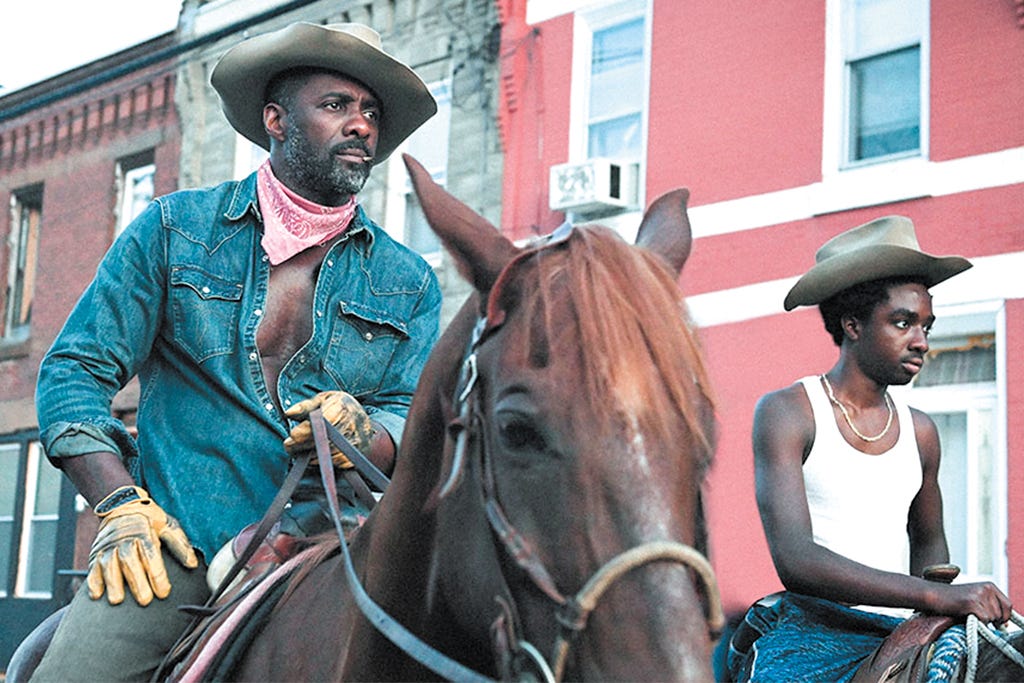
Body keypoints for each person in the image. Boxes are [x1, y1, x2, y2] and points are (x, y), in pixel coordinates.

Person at [29, 22, 441, 682]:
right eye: (336, 104)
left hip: (334, 552)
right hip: (179, 545)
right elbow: (75, 370)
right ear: (276, 120)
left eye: (370, 111)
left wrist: (368, 432)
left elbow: (411, 418)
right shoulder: (174, 229)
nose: (361, 124)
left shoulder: (409, 280)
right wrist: (119, 505)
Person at [726, 216, 1014, 681]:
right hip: (810, 634)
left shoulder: (921, 432)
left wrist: (936, 610)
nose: (921, 342)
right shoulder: (790, 412)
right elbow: (796, 560)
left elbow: (928, 542)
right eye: (903, 323)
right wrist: (936, 596)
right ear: (853, 324)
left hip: (901, 634)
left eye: (926, 326)